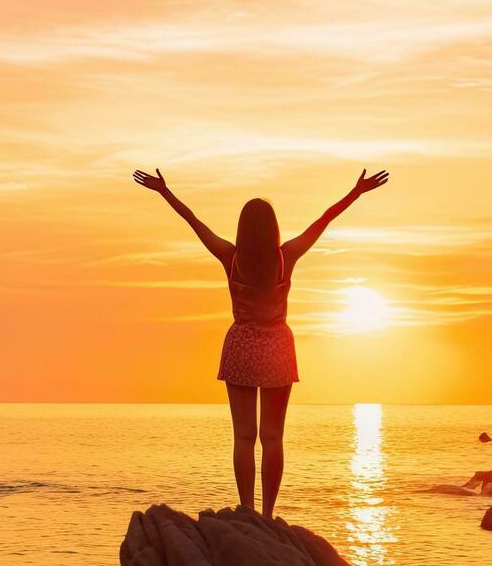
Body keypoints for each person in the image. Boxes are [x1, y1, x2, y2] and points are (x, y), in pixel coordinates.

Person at [132, 167, 390, 518]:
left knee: (243, 437)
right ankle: (268, 514)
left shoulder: (231, 256)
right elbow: (323, 220)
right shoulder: (287, 256)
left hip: (241, 344)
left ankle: (247, 507)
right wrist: (356, 192)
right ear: (273, 228)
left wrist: (165, 191)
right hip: (277, 347)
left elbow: (194, 222)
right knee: (272, 437)